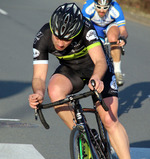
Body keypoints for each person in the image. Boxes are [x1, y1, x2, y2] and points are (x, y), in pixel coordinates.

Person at [28, 3, 131, 159]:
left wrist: (96, 77)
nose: (60, 43)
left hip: (98, 70)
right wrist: (38, 93)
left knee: (109, 119)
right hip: (71, 71)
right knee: (54, 90)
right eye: (57, 37)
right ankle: (85, 135)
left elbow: (100, 62)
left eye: (67, 39)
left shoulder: (86, 29)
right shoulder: (42, 37)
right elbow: (38, 77)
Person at [82, 0, 128, 86]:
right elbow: (84, 27)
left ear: (109, 6)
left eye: (105, 8)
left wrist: (122, 38)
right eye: (99, 7)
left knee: (113, 38)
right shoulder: (88, 6)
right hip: (93, 25)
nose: (102, 11)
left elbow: (123, 31)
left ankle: (117, 72)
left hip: (110, 26)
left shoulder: (115, 7)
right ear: (94, 4)